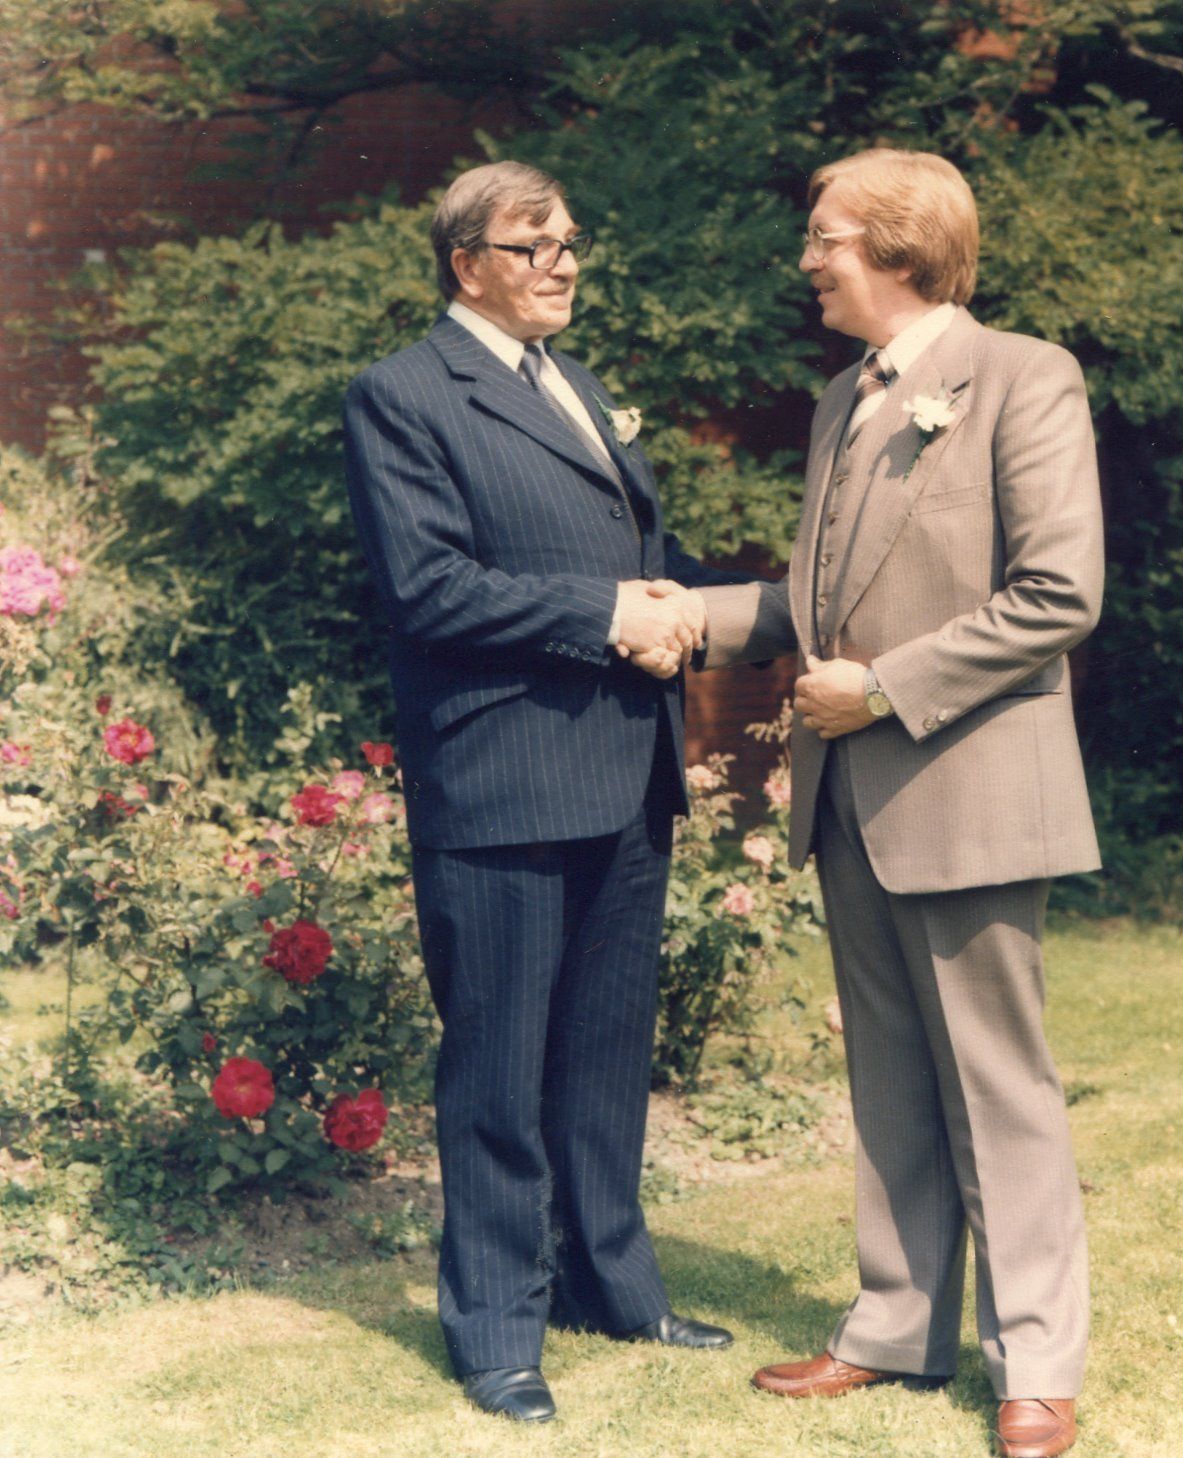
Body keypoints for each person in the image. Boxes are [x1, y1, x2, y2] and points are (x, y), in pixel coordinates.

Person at [692, 149, 1103, 1458]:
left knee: (999, 1084)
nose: (806, 259)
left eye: (824, 237)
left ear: (899, 248)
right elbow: (817, 605)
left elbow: (1055, 596)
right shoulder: (837, 403)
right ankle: (895, 1323)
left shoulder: (1023, 377)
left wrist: (885, 690)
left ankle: (1034, 1359)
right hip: (849, 801)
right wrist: (673, 616)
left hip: (968, 784)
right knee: (889, 1082)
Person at [342, 160, 742, 1425]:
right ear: (467, 263)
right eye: (534, 245)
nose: (563, 264)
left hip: (623, 771)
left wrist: (688, 602)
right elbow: (428, 588)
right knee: (501, 1071)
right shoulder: (404, 395)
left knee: (606, 1061)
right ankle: (498, 1331)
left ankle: (609, 1287)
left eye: (572, 241)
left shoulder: (579, 386)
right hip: (503, 777)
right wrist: (608, 612)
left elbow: (623, 558)